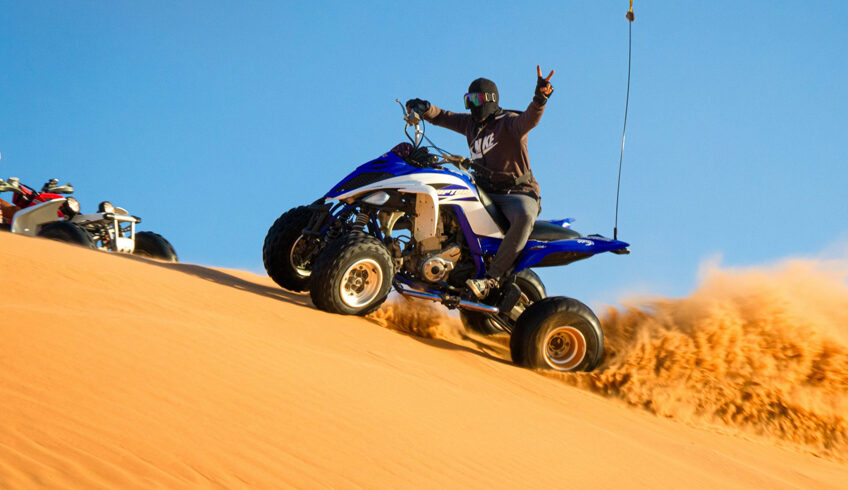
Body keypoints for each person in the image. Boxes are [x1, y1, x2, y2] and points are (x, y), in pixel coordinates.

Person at [406, 65, 555, 299]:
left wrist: (540, 98)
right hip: (483, 192)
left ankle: (491, 279)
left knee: (525, 218)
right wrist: (424, 108)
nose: (473, 104)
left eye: (477, 98)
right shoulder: (470, 126)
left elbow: (531, 119)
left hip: (517, 194)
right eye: (469, 99)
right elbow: (444, 117)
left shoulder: (509, 123)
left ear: (490, 99)